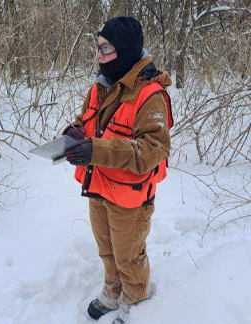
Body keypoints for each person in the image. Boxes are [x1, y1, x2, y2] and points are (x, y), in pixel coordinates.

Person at [63, 16, 173, 324]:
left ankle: (135, 302)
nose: (99, 55)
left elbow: (152, 150)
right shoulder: (102, 83)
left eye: (106, 48)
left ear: (124, 50)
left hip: (130, 196)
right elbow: (86, 119)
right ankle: (112, 291)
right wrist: (72, 132)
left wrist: (96, 150)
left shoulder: (150, 94)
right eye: (97, 47)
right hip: (98, 184)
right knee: (106, 249)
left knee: (128, 255)